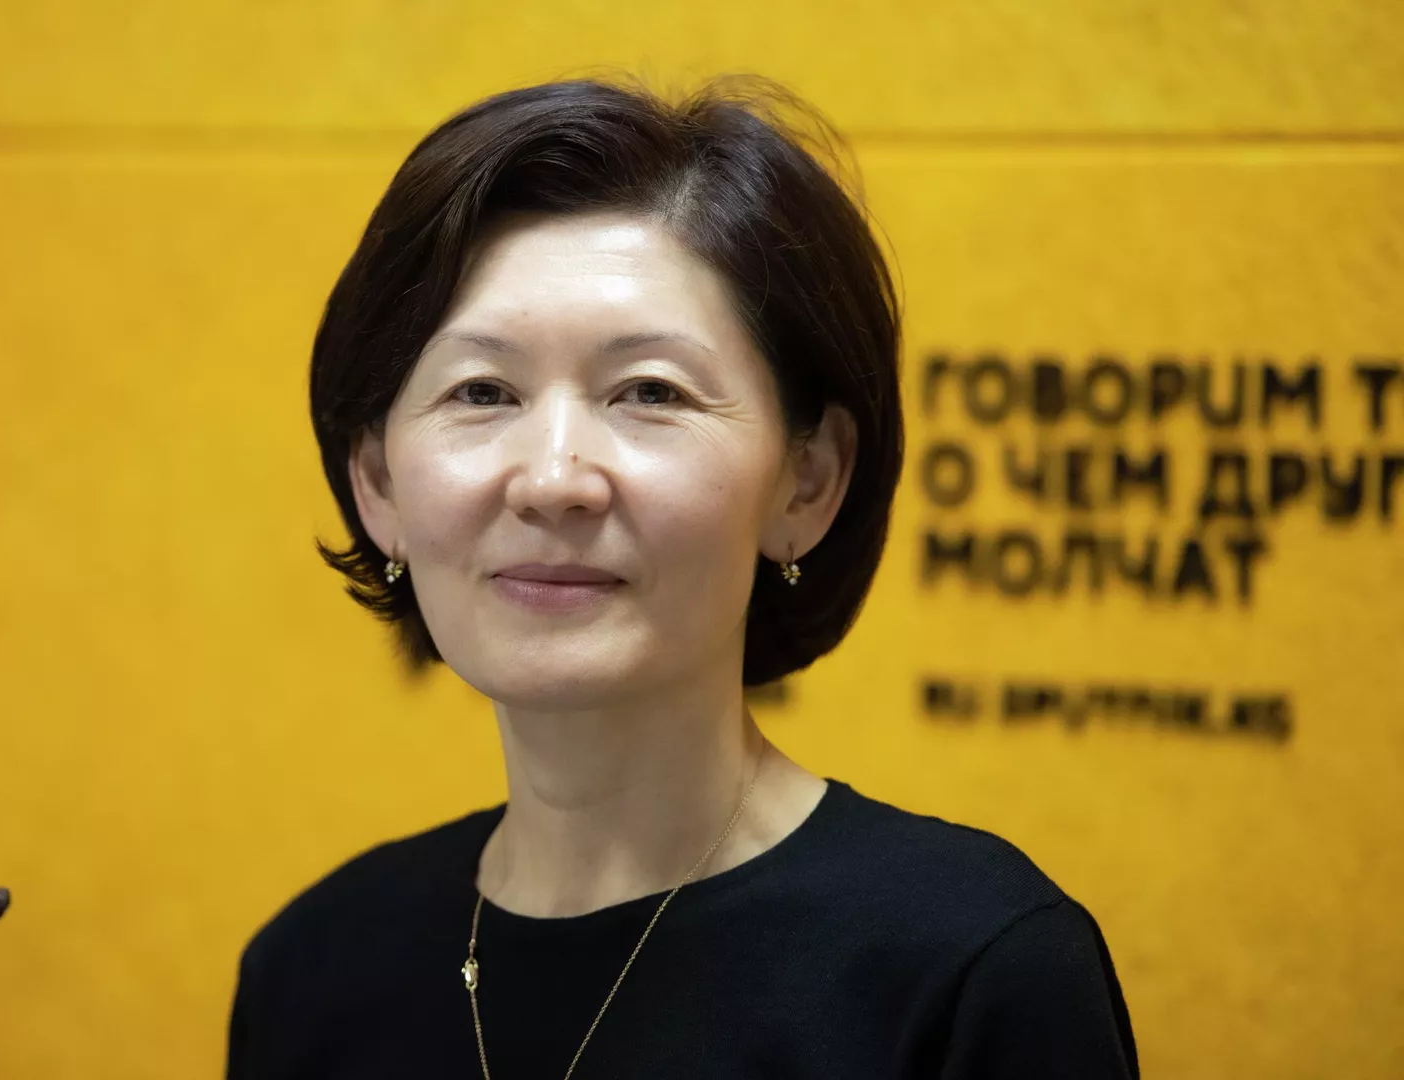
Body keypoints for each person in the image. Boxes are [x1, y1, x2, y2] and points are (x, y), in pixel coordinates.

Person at [228, 75, 1138, 1079]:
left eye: (649, 392)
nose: (554, 479)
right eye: (482, 391)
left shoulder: (973, 970)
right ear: (377, 481)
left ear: (807, 480)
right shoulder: (310, 973)